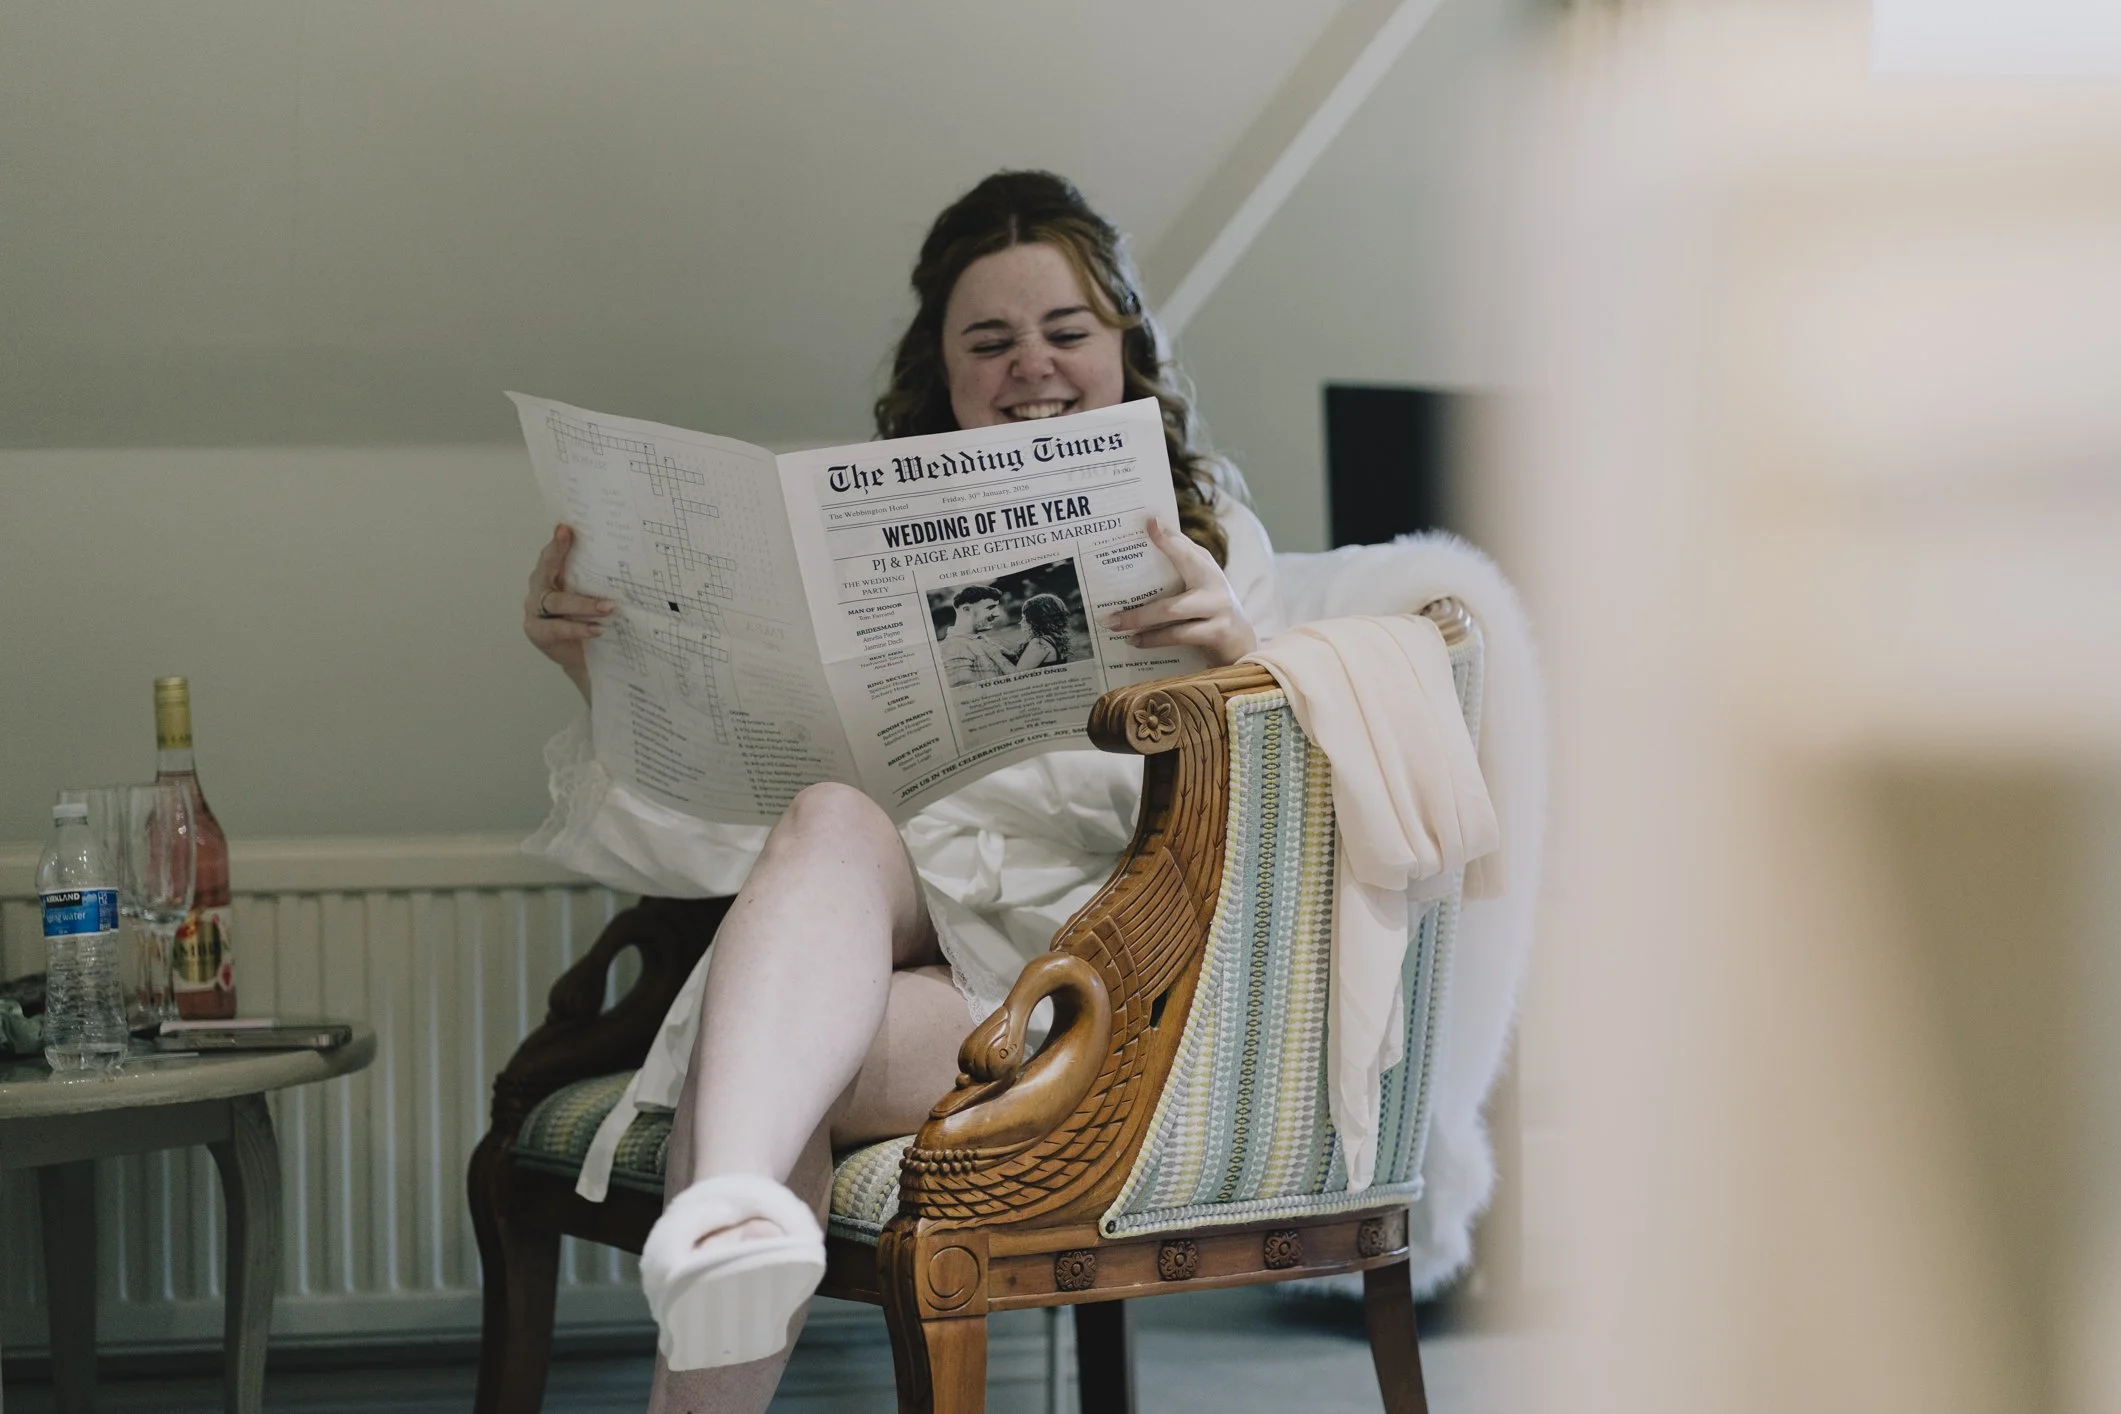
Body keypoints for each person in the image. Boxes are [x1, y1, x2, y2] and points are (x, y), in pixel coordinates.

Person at [520, 169, 1285, 1412]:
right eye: (990, 341)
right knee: (826, 819)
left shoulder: (1212, 538)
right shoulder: (865, 532)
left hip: (1075, 977)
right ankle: (733, 1212)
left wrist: (1234, 665)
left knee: (759, 1057)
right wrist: (602, 675)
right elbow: (712, 834)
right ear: (943, 368)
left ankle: (722, 1233)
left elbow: (1281, 832)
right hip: (879, 919)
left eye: (1066, 332)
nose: (1031, 365)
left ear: (1124, 348)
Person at [938, 583, 1014, 685]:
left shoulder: (978, 638)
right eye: (990, 607)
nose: (997, 614)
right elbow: (964, 688)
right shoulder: (954, 645)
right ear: (967, 609)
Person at [1011, 592, 1074, 671]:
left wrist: (996, 656)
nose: (1021, 622)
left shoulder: (1040, 643)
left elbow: (1015, 675)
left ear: (1034, 620)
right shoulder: (1056, 639)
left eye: (1024, 617)